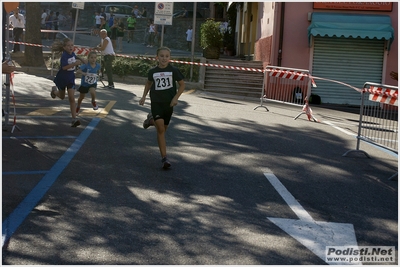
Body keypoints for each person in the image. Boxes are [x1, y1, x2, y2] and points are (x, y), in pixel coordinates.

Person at [139, 47, 186, 169]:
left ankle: (151, 120)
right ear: (157, 57)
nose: (164, 58)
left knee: (163, 128)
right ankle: (164, 158)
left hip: (169, 104)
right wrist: (143, 96)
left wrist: (176, 98)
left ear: (169, 58)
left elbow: (182, 85)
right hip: (156, 102)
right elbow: (149, 83)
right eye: (161, 56)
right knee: (160, 129)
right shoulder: (152, 71)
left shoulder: (174, 70)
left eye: (166, 56)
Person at [50, 38, 84, 127]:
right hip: (62, 78)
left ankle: (74, 119)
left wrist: (82, 59)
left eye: (72, 45)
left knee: (71, 98)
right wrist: (75, 64)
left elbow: (75, 56)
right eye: (68, 46)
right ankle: (54, 91)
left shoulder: (72, 53)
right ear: (64, 47)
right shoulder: (64, 56)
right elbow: (64, 67)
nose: (70, 47)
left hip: (70, 79)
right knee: (61, 96)